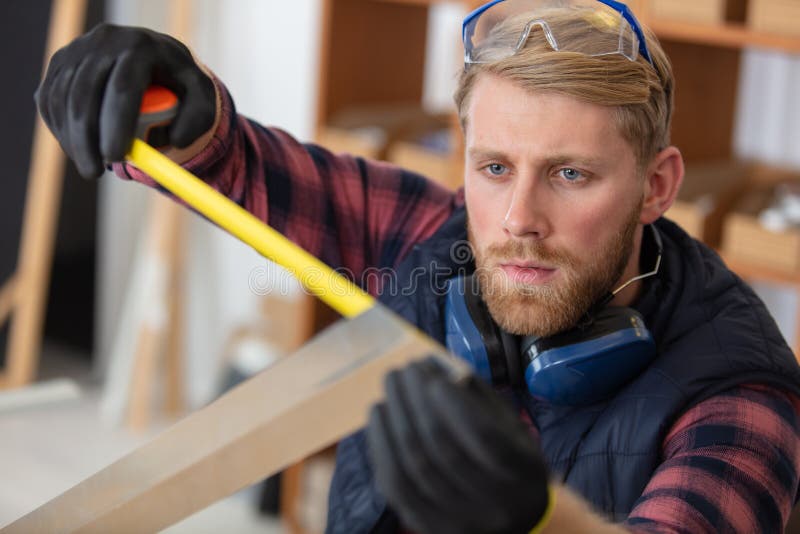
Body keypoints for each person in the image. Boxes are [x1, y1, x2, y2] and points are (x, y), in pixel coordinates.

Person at [34, 1, 800, 532]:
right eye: (494, 167)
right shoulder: (439, 241)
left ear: (657, 186)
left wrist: (545, 521)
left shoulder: (741, 392)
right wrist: (175, 117)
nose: (518, 220)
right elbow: (244, 166)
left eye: (570, 175)